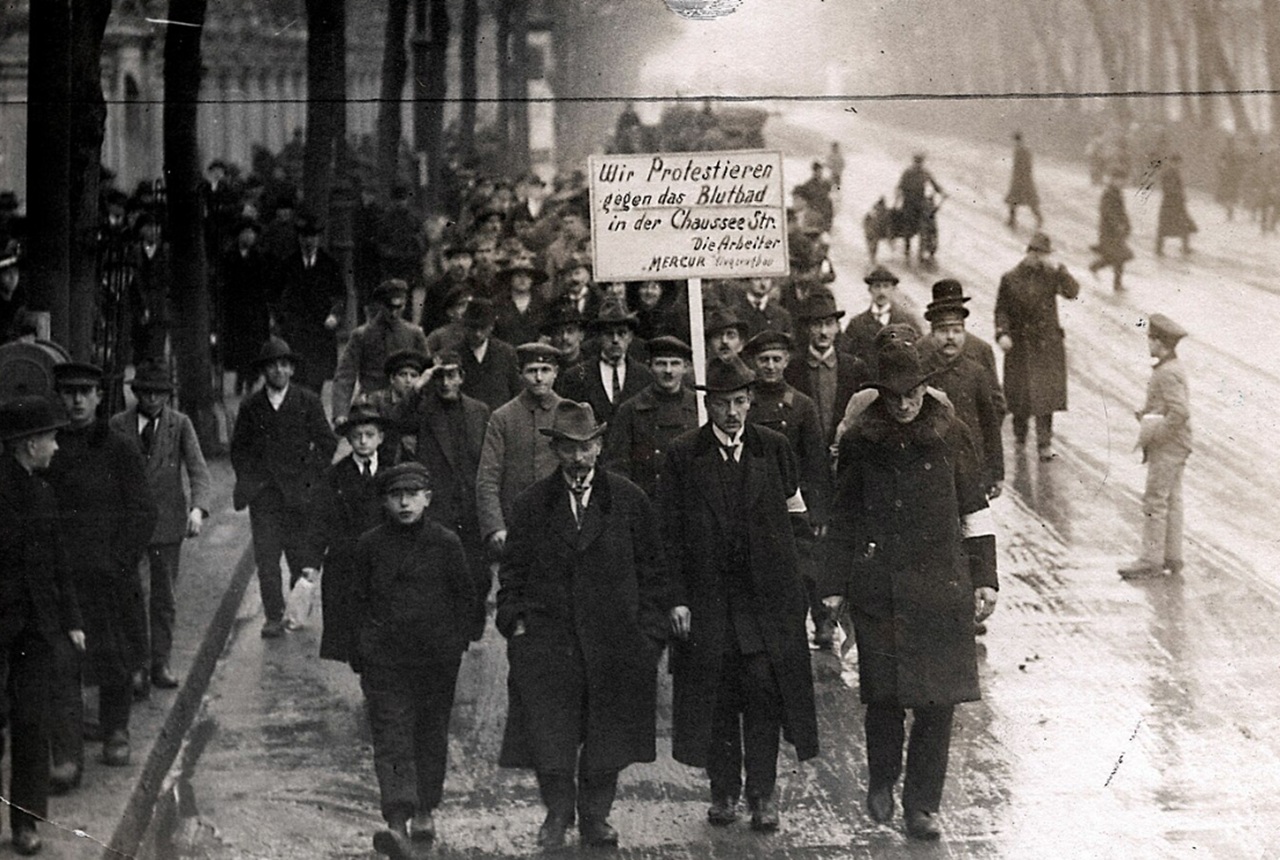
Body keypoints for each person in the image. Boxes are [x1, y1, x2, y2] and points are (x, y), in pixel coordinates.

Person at [823, 341, 999, 841]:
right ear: (880, 393)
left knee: (937, 702)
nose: (904, 404)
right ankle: (883, 777)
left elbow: (974, 506)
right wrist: (834, 586)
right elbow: (844, 515)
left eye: (914, 392)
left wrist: (984, 576)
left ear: (928, 386)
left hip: (941, 587)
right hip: (881, 586)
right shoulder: (861, 439)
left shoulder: (951, 433)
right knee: (883, 696)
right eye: (894, 395)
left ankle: (922, 805)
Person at [497, 401, 670, 849]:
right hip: (549, 641)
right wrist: (516, 626)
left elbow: (655, 573)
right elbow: (511, 575)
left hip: (615, 642)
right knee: (549, 735)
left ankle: (595, 815)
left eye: (586, 447)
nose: (578, 459)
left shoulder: (629, 500)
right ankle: (557, 813)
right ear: (555, 450)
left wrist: (648, 636)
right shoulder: (532, 504)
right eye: (568, 449)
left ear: (599, 446)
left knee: (607, 736)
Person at [660, 355, 819, 833]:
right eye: (724, 403)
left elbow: (798, 525)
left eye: (741, 402)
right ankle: (724, 790)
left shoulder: (773, 449)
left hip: (765, 605)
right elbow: (666, 535)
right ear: (708, 405)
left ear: (751, 401)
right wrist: (676, 598)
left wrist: (800, 590)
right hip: (708, 605)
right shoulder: (683, 455)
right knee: (718, 697)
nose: (732, 413)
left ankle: (763, 794)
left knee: (765, 694)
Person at [351, 462, 481, 858]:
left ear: (428, 498)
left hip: (434, 660)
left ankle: (424, 807)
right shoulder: (370, 545)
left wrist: (455, 643)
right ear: (385, 501)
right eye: (395, 495)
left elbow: (466, 600)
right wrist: (364, 649)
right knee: (390, 736)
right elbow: (354, 602)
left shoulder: (445, 543)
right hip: (385, 661)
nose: (405, 502)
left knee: (429, 732)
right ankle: (395, 820)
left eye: (412, 494)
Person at [45, 362, 157, 780]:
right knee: (63, 663)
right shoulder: (48, 447)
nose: (76, 400)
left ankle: (116, 731)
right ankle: (68, 754)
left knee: (116, 654)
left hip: (110, 574)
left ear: (98, 396)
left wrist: (120, 560)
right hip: (64, 576)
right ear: (59, 396)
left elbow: (144, 511)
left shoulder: (119, 447)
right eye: (68, 392)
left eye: (84, 392)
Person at [0, 396, 84, 856]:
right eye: (51, 438)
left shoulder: (43, 492)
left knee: (33, 725)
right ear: (29, 444)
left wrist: (71, 619)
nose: (56, 446)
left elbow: (57, 564)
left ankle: (26, 823)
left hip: (37, 629)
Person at [108, 361, 212, 690]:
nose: (153, 399)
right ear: (136, 392)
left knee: (164, 597)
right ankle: (136, 665)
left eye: (160, 393)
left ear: (168, 395)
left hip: (167, 524)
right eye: (146, 392)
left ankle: (160, 662)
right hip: (128, 525)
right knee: (133, 595)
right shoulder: (118, 424)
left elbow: (198, 469)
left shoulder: (179, 424)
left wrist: (197, 508)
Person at [230, 337, 338, 639]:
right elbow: (239, 449)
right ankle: (273, 615)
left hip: (299, 495)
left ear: (291, 369)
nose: (279, 370)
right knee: (266, 558)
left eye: (284, 364)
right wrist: (252, 480)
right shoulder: (252, 406)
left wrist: (310, 474)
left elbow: (328, 442)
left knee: (299, 555)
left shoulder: (307, 401)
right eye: (272, 365)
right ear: (264, 371)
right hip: (265, 496)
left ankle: (297, 606)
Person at [743, 330, 833, 649]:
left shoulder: (801, 405)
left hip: (795, 499)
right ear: (754, 362)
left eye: (776, 359)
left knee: (807, 566)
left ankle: (822, 621)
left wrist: (819, 509)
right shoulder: (745, 403)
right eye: (764, 360)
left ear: (787, 361)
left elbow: (817, 461)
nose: (770, 366)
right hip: (751, 498)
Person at [394, 350, 492, 631]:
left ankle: (472, 625)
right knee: (438, 571)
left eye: (451, 375)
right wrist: (417, 386)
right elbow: (396, 420)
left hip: (471, 506)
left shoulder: (479, 411)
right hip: (438, 505)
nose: (445, 383)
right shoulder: (424, 410)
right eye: (439, 376)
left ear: (462, 377)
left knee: (478, 574)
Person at [301, 405, 389, 661]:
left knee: (384, 627)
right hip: (346, 564)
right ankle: (364, 672)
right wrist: (311, 562)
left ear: (380, 438)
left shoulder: (392, 473)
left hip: (383, 562)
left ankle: (376, 683)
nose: (363, 441)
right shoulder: (335, 476)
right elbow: (320, 520)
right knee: (352, 632)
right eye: (357, 435)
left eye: (369, 434)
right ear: (349, 439)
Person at [994, 231, 1080, 462]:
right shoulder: (1010, 278)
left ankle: (1044, 443)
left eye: (1045, 255)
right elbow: (1001, 309)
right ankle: (1020, 437)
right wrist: (1002, 333)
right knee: (1020, 396)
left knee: (1046, 397)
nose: (1042, 259)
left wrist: (1061, 269)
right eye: (1039, 254)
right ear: (1030, 253)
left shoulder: (1051, 275)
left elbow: (1073, 292)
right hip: (1019, 344)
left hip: (1046, 345)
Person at [475, 342, 565, 561]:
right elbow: (488, 477)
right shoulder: (502, 418)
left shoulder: (570, 412)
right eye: (532, 371)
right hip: (516, 525)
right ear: (520, 374)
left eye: (545, 371)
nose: (539, 378)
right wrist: (495, 527)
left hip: (562, 524)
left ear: (556, 373)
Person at [1118, 314, 1191, 580]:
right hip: (1179, 445)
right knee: (1171, 500)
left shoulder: (1166, 372)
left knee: (1155, 500)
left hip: (1168, 446)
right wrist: (1148, 412)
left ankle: (1150, 559)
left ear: (1160, 343)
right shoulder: (1172, 368)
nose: (1148, 343)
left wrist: (1155, 431)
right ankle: (1172, 556)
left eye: (1151, 339)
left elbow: (1179, 412)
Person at [919, 293, 1005, 502]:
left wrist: (996, 472)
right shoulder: (921, 372)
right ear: (932, 335)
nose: (950, 337)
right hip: (929, 467)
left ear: (964, 335)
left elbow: (990, 424)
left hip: (970, 467)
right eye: (943, 331)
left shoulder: (976, 373)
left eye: (957, 331)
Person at [602, 335, 699, 500]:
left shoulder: (700, 407)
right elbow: (617, 467)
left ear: (686, 367)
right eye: (661, 363)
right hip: (647, 504)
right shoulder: (630, 410)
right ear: (649, 367)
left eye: (675, 363)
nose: (668, 371)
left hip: (691, 504)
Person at [331, 279, 430, 423]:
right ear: (380, 305)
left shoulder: (414, 333)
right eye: (390, 307)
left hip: (406, 402)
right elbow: (345, 374)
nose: (394, 313)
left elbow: (427, 371)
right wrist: (341, 412)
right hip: (372, 404)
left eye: (399, 307)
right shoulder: (362, 335)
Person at [555, 297, 653, 433]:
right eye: (609, 333)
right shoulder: (577, 375)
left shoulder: (645, 376)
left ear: (630, 337)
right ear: (599, 336)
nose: (615, 340)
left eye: (621, 333)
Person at [786, 289, 869, 446]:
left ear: (838, 327)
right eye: (817, 325)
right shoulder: (792, 369)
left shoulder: (855, 368)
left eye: (829, 324)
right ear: (807, 328)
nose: (823, 332)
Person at [273, 217, 346, 394]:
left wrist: (335, 315)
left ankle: (313, 405)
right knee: (297, 373)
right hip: (296, 327)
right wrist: (280, 319)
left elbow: (340, 294)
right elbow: (274, 293)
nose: (309, 241)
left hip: (321, 327)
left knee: (317, 375)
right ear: (299, 239)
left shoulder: (329, 263)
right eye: (305, 237)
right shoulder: (288, 263)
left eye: (313, 237)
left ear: (319, 239)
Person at [219, 218, 273, 391]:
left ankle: (251, 378)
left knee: (254, 346)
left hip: (255, 309)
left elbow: (266, 285)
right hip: (235, 309)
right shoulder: (229, 256)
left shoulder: (261, 257)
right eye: (245, 233)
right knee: (238, 346)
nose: (249, 237)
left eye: (251, 234)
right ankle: (240, 377)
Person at [837, 266, 922, 366]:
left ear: (893, 289)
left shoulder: (907, 321)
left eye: (886, 286)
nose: (881, 292)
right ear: (870, 290)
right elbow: (845, 356)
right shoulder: (857, 324)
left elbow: (920, 351)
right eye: (877, 286)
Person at [457, 297, 522, 411]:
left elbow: (516, 392)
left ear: (491, 326)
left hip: (498, 422)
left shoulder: (506, 353)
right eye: (473, 328)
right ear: (464, 326)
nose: (478, 334)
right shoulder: (454, 353)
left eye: (483, 328)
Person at [1088, 169, 1134, 291]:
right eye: (1119, 180)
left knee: (1119, 256)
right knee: (1119, 256)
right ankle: (1116, 284)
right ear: (1113, 179)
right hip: (1109, 232)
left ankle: (1096, 267)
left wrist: (1127, 224)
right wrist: (1117, 224)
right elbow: (1107, 212)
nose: (1122, 182)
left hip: (1117, 232)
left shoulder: (1118, 193)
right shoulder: (1108, 193)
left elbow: (1122, 212)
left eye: (1123, 180)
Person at [492, 259, 549, 348]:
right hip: (504, 354)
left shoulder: (542, 304)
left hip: (535, 354)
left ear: (532, 280)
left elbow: (546, 333)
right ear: (510, 278)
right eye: (518, 276)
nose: (523, 280)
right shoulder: (498, 303)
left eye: (527, 276)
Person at [1156, 153, 1197, 256]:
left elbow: (1176, 187)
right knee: (1166, 226)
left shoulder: (1174, 172)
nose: (1177, 165)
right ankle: (1159, 249)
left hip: (1176, 204)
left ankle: (1184, 247)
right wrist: (1178, 194)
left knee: (1182, 225)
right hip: (1170, 203)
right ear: (1171, 162)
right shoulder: (1168, 173)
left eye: (1179, 163)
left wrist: (1181, 196)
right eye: (1176, 163)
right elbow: (1168, 188)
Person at [896, 152, 945, 238]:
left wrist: (941, 192)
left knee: (929, 216)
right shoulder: (908, 173)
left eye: (920, 162)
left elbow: (934, 184)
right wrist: (899, 193)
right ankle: (907, 242)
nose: (918, 164)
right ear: (914, 162)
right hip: (908, 200)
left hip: (920, 200)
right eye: (917, 162)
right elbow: (900, 185)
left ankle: (929, 237)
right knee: (907, 220)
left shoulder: (925, 173)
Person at [1004, 131, 1043, 229]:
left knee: (1014, 200)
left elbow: (1020, 166)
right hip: (1024, 179)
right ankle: (1037, 218)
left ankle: (1012, 220)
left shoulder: (1019, 150)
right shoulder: (1025, 149)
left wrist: (1019, 177)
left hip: (1020, 179)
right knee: (1027, 200)